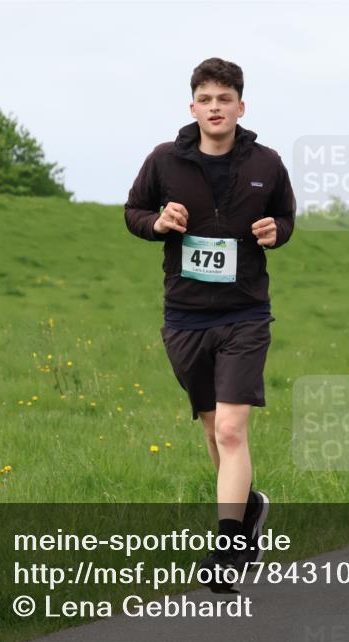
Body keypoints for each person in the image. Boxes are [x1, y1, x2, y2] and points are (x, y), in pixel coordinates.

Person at [124, 58, 295, 591]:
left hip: (245, 313)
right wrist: (157, 223)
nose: (215, 107)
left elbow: (287, 217)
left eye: (225, 98)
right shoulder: (164, 162)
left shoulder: (266, 161)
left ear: (241, 106)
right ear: (193, 106)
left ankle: (227, 548)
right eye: (206, 98)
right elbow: (133, 211)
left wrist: (275, 231)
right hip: (186, 316)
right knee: (210, 429)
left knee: (230, 427)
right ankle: (248, 511)